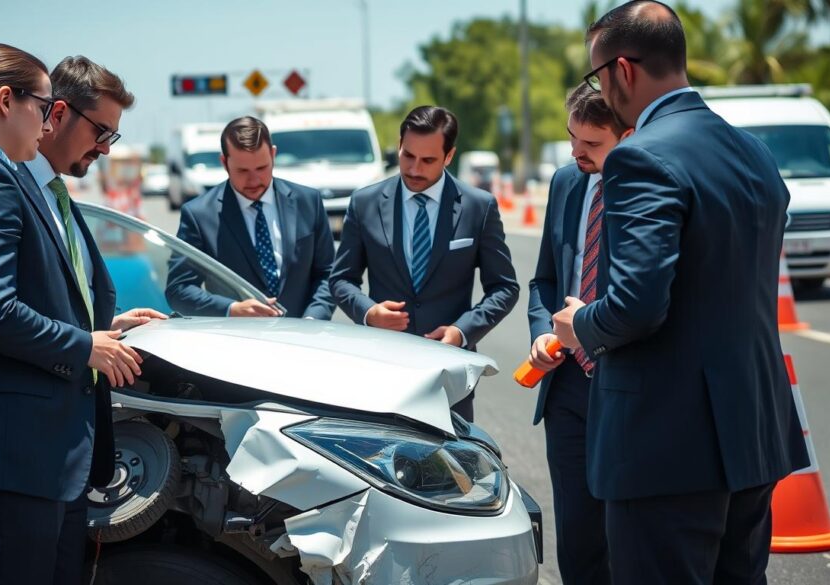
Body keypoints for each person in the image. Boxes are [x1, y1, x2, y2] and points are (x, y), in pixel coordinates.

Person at [551, 2, 809, 583]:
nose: (600, 89)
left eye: (596, 76)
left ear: (623, 70)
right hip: (753, 432)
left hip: (666, 446)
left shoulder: (641, 154)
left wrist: (580, 324)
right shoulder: (754, 152)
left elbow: (638, 303)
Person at [0, 44, 145, 585]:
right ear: (7, 102)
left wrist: (97, 332)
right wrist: (86, 347)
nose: (44, 122)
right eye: (42, 105)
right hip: (1, 458)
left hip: (9, 458)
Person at [15, 55, 166, 584]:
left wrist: (110, 327)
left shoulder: (54, 193)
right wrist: (86, 346)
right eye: (102, 131)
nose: (105, 149)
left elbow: (45, 299)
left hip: (63, 461)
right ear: (57, 113)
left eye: (113, 138)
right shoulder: (6, 189)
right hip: (21, 459)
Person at [329, 105, 519, 421]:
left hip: (448, 371)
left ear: (449, 156)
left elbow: (504, 288)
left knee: (449, 467)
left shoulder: (478, 207)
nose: (415, 169)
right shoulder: (365, 203)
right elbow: (341, 279)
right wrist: (367, 312)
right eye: (407, 156)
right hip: (382, 364)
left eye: (428, 160)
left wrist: (462, 331)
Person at [528, 83, 629, 585]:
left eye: (591, 144)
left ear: (625, 135)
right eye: (572, 138)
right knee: (576, 530)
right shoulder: (567, 183)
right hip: (565, 384)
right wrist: (540, 334)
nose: (576, 152)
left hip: (625, 379)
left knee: (627, 529)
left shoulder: (644, 188)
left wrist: (590, 326)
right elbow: (545, 279)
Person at [166, 116, 336, 319]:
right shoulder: (199, 215)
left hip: (305, 338)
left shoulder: (308, 202)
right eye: (243, 171)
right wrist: (231, 310)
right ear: (224, 162)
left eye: (262, 168)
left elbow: (328, 274)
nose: (254, 180)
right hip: (237, 341)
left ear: (273, 155)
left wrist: (313, 318)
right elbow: (179, 289)